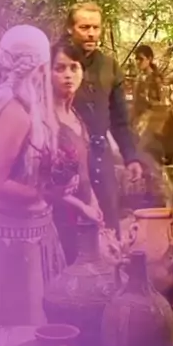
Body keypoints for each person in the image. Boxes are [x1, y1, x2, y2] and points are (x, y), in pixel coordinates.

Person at [0, 24, 68, 327]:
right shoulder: (16, 113)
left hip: (21, 230)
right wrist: (43, 193)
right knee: (22, 321)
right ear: (41, 67)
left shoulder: (15, 103)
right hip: (16, 238)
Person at [64, 2, 143, 234]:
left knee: (108, 225)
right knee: (69, 228)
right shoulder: (57, 63)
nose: (91, 33)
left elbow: (120, 119)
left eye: (96, 27)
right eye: (84, 27)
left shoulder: (110, 66)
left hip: (100, 155)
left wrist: (131, 157)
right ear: (70, 28)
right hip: (64, 158)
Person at [50, 40, 103, 264]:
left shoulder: (77, 118)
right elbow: (42, 184)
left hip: (82, 219)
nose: (68, 75)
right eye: (59, 68)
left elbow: (83, 172)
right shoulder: (45, 121)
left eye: (74, 67)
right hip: (53, 221)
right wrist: (82, 207)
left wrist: (94, 203)